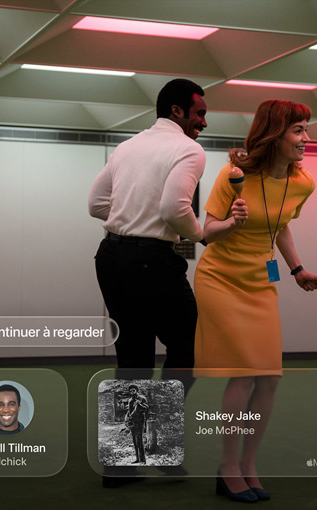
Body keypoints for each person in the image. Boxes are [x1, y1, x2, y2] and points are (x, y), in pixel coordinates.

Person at [194, 99, 317, 503]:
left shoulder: (303, 183)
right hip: (220, 279)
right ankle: (227, 466)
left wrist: (297, 269)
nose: (306, 138)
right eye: (298, 130)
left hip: (261, 281)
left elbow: (279, 226)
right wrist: (232, 222)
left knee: (269, 377)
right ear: (274, 134)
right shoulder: (234, 175)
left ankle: (249, 464)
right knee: (244, 372)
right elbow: (206, 231)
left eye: (306, 129)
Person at [89, 78, 207, 372]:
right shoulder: (189, 149)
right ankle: (163, 406)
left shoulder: (127, 146)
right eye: (200, 113)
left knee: (132, 357)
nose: (204, 123)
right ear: (177, 111)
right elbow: (174, 209)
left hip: (110, 258)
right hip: (151, 262)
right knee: (189, 347)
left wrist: (136, 218)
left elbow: (96, 204)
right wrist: (199, 235)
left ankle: (136, 407)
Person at [123, 384, 150, 464]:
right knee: (134, 441)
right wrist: (127, 418)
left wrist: (139, 404)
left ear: (137, 390)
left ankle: (143, 460)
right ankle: (137, 459)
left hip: (139, 421)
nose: (132, 392)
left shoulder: (142, 398)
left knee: (139, 440)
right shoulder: (130, 400)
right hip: (132, 422)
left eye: (133, 390)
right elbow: (129, 410)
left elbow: (146, 408)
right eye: (131, 391)